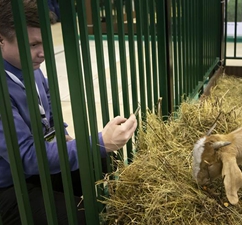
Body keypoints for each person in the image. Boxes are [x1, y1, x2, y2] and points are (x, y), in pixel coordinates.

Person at [0, 0, 138, 224]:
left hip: (39, 166)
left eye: (45, 42)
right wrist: (97, 142)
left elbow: (50, 110)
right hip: (10, 185)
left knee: (103, 163)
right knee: (80, 216)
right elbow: (26, 157)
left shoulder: (27, 65)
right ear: (1, 40)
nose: (43, 53)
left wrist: (66, 138)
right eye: (33, 44)